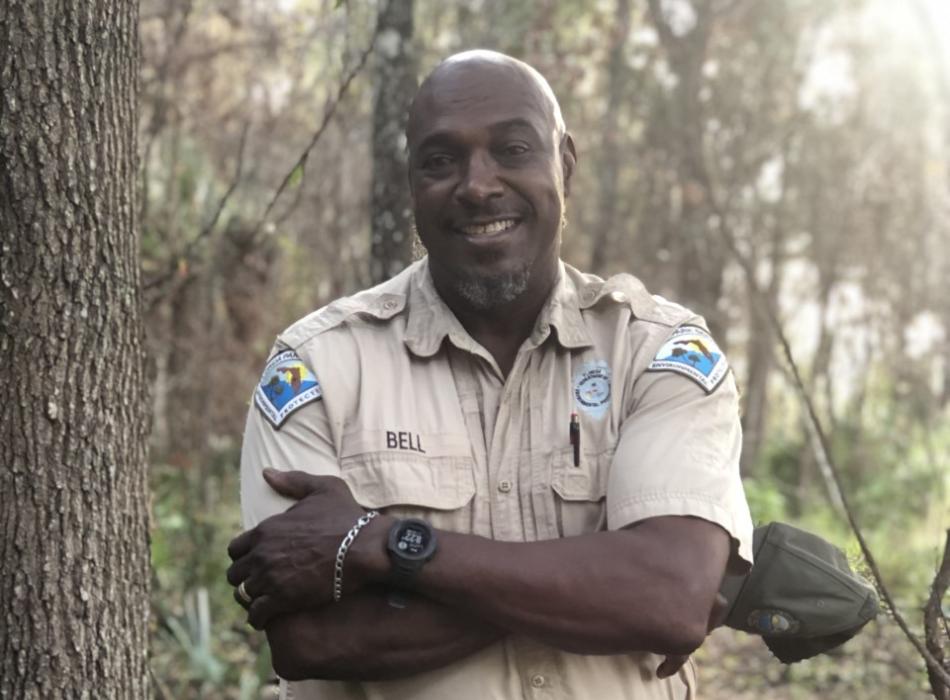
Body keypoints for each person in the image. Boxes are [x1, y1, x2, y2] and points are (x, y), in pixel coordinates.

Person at [227, 49, 754, 700]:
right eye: (441, 160)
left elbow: (668, 596)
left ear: (564, 164)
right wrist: (598, 580)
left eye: (513, 148)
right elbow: (312, 640)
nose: (478, 185)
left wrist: (382, 543)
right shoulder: (320, 367)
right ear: (412, 184)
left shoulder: (655, 350)